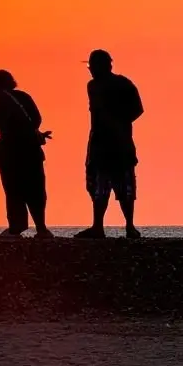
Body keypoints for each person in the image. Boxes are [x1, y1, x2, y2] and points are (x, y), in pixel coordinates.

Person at [76, 49, 144, 239]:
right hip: (107, 144)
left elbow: (137, 110)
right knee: (109, 187)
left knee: (114, 187)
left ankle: (121, 226)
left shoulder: (106, 86)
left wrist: (118, 122)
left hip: (112, 145)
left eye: (92, 66)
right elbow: (138, 110)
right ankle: (112, 226)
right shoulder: (105, 85)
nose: (90, 70)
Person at [0, 69, 53, 238]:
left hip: (9, 154)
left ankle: (16, 227)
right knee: (36, 189)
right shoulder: (24, 97)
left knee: (13, 190)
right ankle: (41, 227)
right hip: (31, 150)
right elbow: (37, 119)